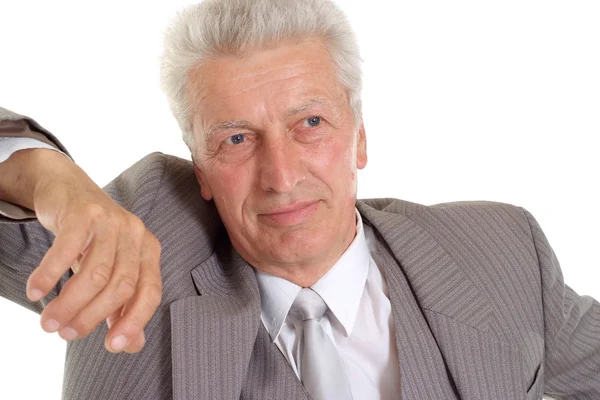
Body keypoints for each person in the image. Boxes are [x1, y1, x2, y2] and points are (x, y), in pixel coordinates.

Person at [0, 0, 599, 398]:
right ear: (200, 167)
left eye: (310, 123)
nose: (280, 177)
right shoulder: (140, 242)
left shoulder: (498, 250)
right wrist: (53, 180)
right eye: (236, 139)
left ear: (360, 135)